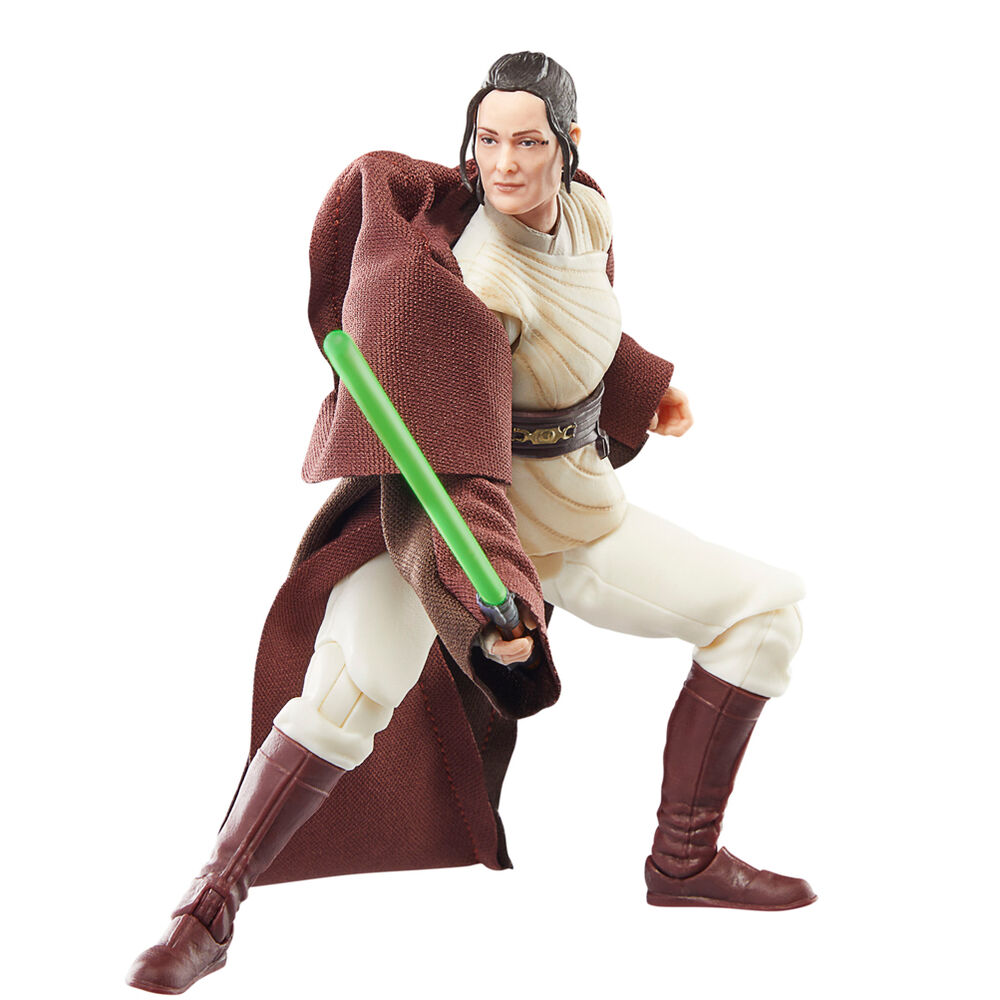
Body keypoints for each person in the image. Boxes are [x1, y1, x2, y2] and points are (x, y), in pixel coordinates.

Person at [128, 51, 815, 997]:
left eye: (527, 142)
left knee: (766, 615)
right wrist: (497, 606)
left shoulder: (586, 210)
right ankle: (208, 909)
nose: (505, 164)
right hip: (444, 526)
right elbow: (458, 472)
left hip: (570, 512)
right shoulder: (464, 286)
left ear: (569, 145)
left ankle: (684, 860)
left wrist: (637, 389)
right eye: (488, 141)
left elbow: (577, 311)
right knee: (352, 687)